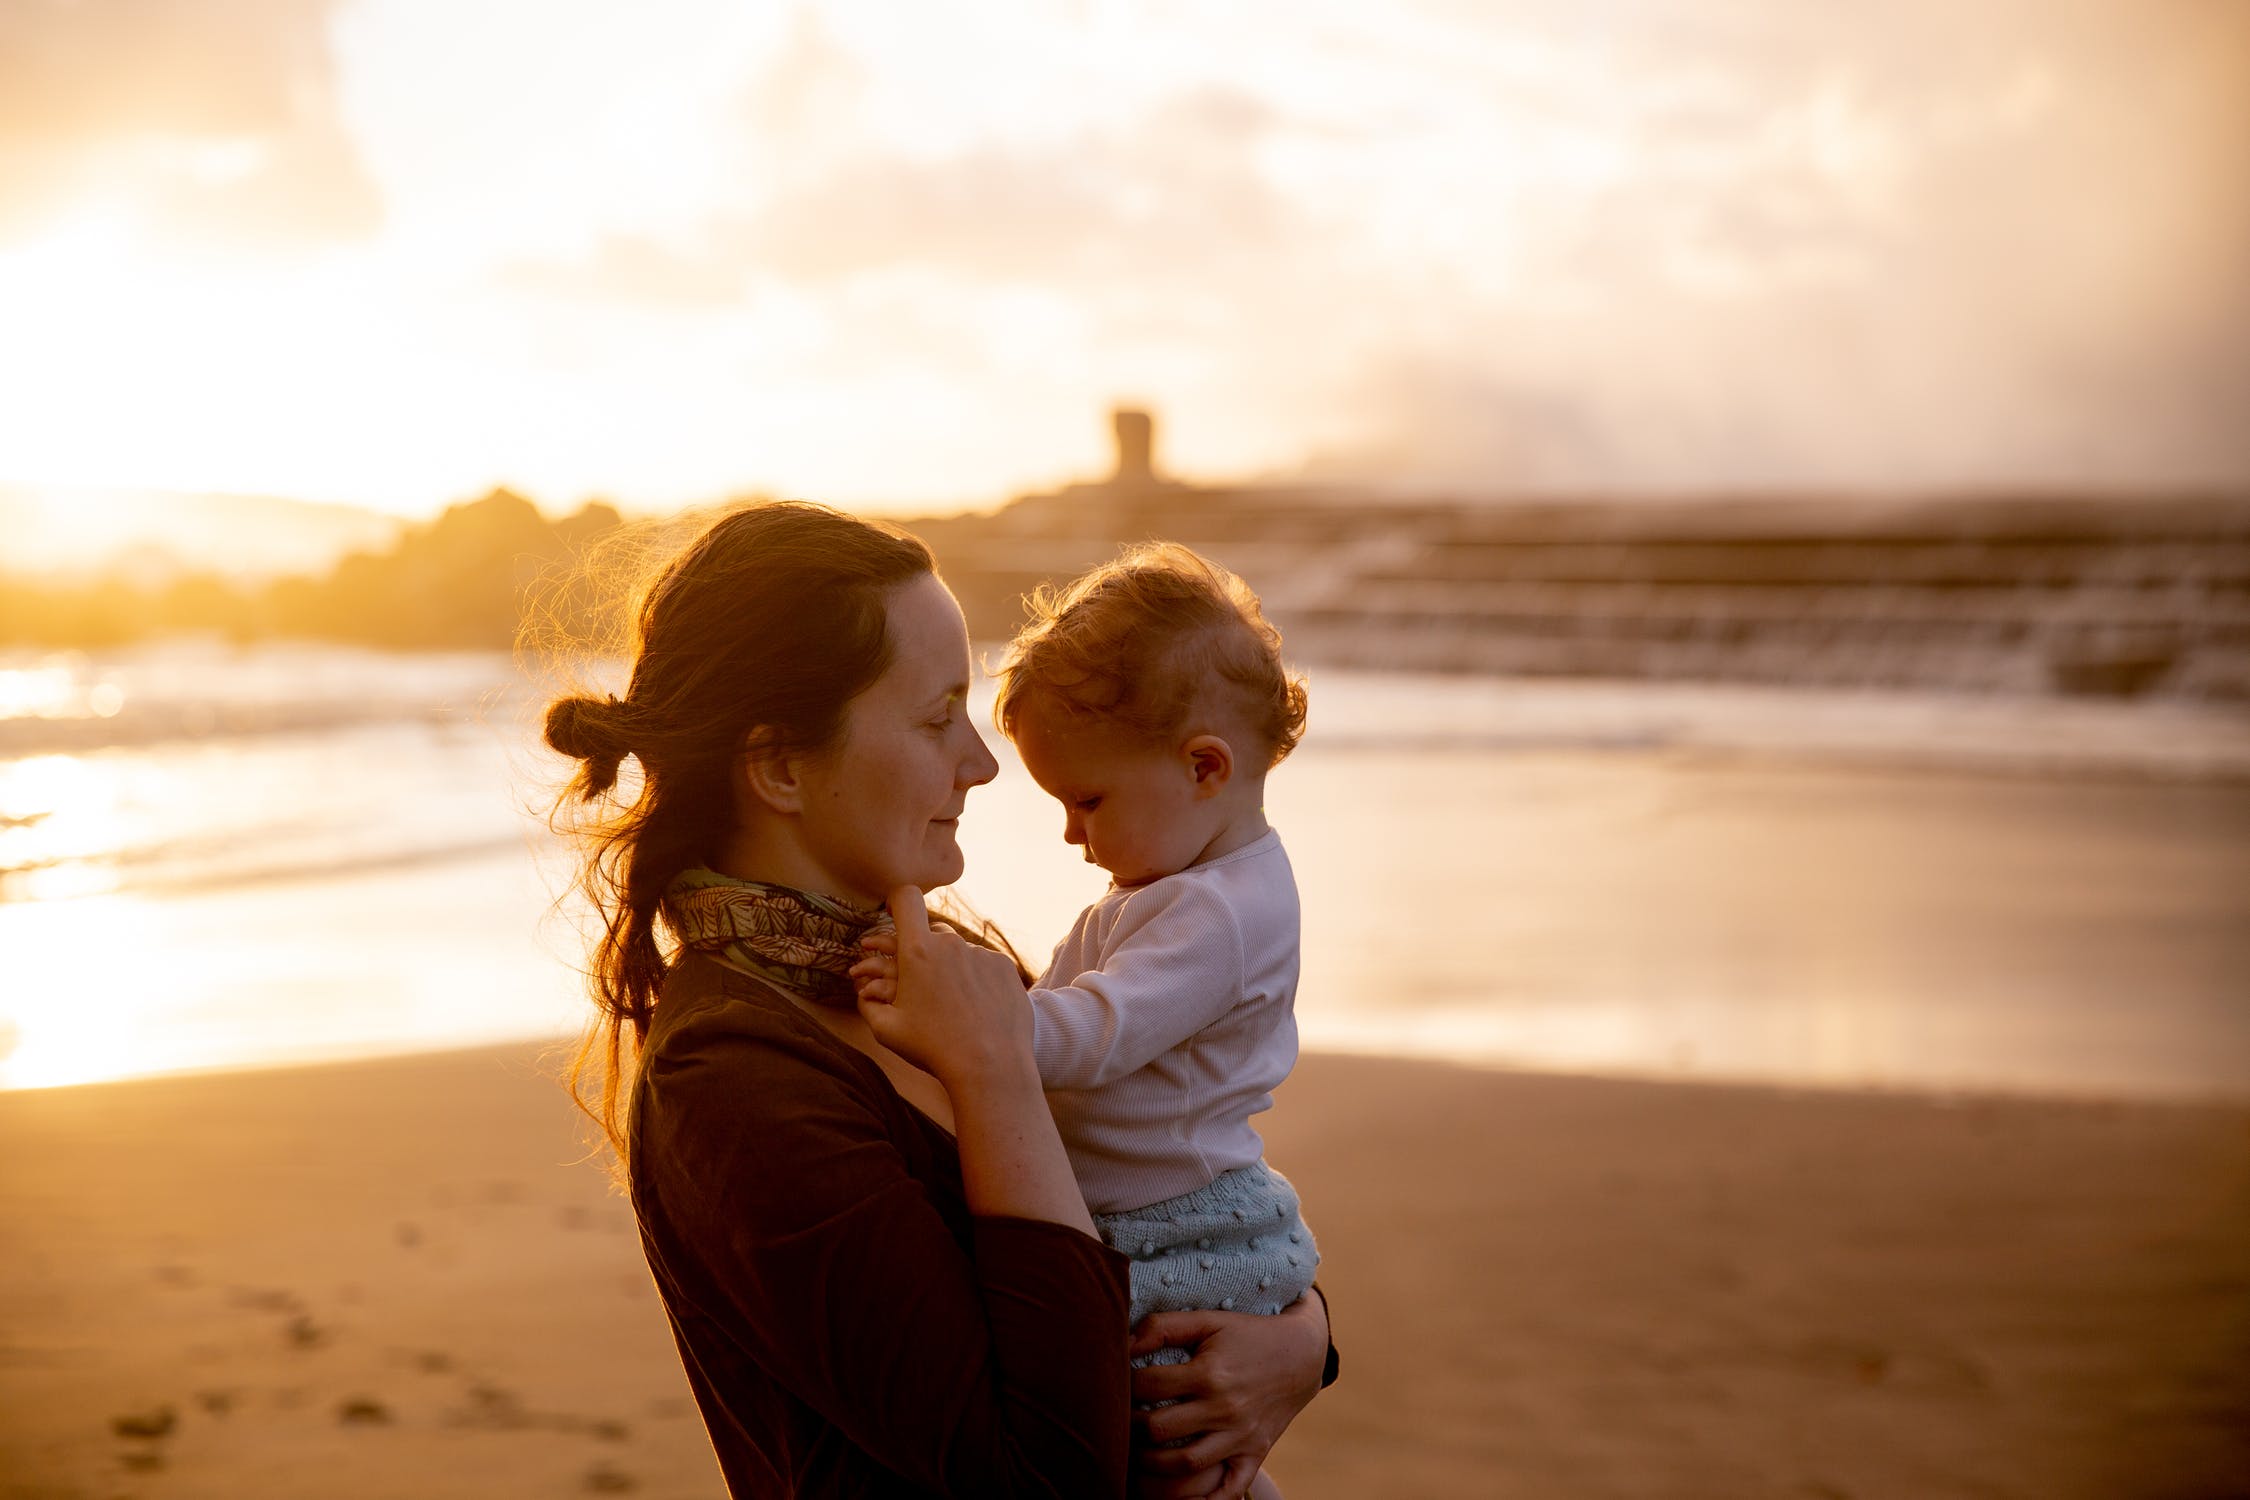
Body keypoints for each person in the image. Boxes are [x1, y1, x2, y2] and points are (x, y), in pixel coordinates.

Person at [541, 501, 1332, 1500]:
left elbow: (1166, 1189)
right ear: (779, 765)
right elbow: (1043, 1478)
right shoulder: (734, 1086)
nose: (983, 761)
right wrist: (995, 1072)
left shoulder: (929, 960)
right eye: (934, 716)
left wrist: (1301, 1340)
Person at [853, 543, 1318, 1500]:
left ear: (1204, 765)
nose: (1070, 834)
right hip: (1164, 1214)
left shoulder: (1217, 911)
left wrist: (971, 1020)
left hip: (1176, 1228)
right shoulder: (1176, 884)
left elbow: (1094, 1032)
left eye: (1088, 800)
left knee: (1168, 1445)